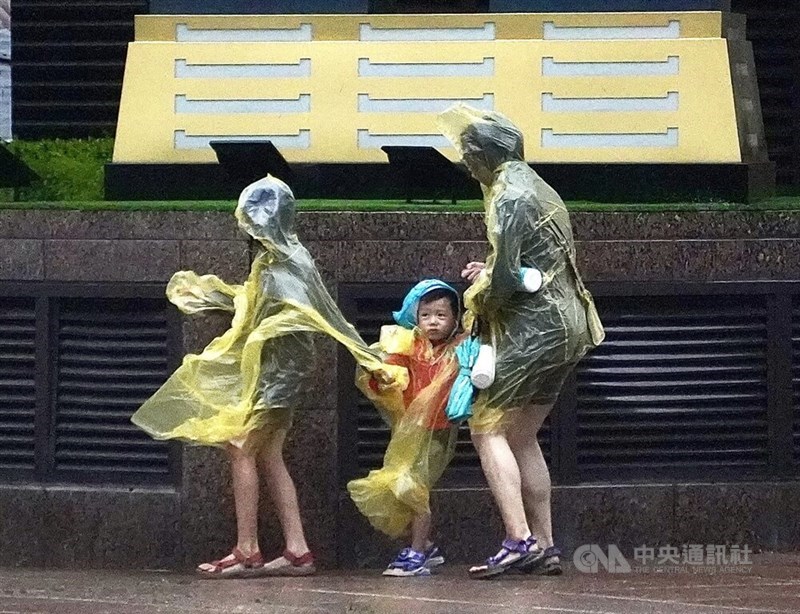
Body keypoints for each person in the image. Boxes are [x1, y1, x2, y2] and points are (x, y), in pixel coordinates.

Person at [132, 175, 403, 579]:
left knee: (240, 445)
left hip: (281, 372)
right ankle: (297, 550)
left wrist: (369, 359)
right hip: (272, 369)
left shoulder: (292, 261)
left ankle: (248, 549)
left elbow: (326, 314)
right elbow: (258, 303)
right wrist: (218, 297)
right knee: (268, 452)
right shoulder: (273, 260)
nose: (250, 228)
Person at [438, 104, 605, 579]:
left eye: (468, 152)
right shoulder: (535, 185)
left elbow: (509, 278)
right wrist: (492, 271)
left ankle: (519, 539)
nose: (465, 162)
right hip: (568, 323)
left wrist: (476, 292)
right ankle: (546, 545)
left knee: (487, 427)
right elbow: (532, 262)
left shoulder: (506, 195)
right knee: (523, 434)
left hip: (535, 328)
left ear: (484, 153)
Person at [348, 280, 465, 577]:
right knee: (400, 487)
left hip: (438, 431)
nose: (433, 322)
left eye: (441, 315)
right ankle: (425, 545)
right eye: (426, 315)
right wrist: (381, 378)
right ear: (416, 317)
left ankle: (417, 553)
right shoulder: (409, 344)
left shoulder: (461, 346)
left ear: (454, 319)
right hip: (411, 429)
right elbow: (388, 372)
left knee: (414, 488)